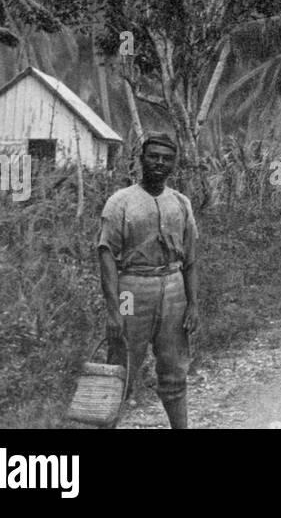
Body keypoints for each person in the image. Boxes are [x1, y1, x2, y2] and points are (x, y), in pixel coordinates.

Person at [97, 134, 199, 428]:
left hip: (173, 290)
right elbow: (106, 256)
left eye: (166, 158)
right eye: (153, 156)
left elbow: (191, 259)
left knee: (175, 370)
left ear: (174, 164)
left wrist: (193, 304)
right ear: (141, 159)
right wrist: (115, 310)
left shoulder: (180, 203)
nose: (159, 163)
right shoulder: (121, 202)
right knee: (122, 366)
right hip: (132, 290)